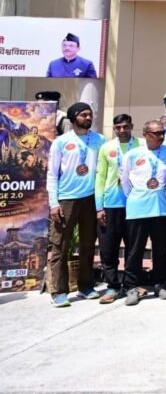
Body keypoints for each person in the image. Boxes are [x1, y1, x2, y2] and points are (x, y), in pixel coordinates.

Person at [46, 102, 104, 307]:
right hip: (66, 199)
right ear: (73, 118)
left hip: (90, 198)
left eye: (90, 114)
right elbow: (52, 174)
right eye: (83, 115)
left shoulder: (99, 140)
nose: (88, 118)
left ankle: (85, 286)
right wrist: (54, 203)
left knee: (88, 244)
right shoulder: (61, 142)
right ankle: (59, 291)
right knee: (60, 245)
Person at [121, 120, 166, 306]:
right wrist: (136, 197)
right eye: (157, 133)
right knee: (135, 250)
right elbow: (124, 181)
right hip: (138, 208)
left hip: (161, 208)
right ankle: (131, 286)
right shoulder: (132, 154)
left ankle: (159, 284)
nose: (161, 136)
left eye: (163, 132)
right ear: (146, 134)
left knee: (160, 250)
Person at [95, 114, 138, 304]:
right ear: (114, 129)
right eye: (118, 127)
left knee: (133, 248)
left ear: (131, 126)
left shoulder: (141, 145)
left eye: (125, 126)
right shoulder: (107, 147)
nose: (122, 130)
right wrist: (99, 207)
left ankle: (130, 285)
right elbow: (100, 178)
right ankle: (112, 285)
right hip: (111, 204)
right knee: (108, 248)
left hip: (135, 204)